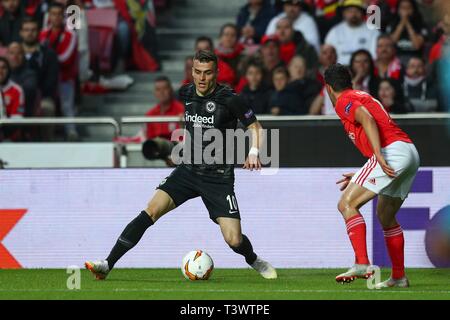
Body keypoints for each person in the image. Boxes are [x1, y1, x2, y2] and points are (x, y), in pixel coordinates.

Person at [85, 50, 277, 281]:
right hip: (188, 171)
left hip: (218, 177)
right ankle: (107, 264)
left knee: (234, 239)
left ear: (216, 73)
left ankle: (254, 260)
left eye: (207, 73)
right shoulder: (185, 92)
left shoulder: (230, 99)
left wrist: (254, 152)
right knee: (151, 210)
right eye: (197, 72)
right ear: (192, 72)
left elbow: (256, 127)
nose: (202, 78)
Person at [324, 63, 420, 288]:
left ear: (328, 88)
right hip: (409, 152)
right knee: (385, 215)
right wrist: (363, 171)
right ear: (351, 81)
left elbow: (366, 118)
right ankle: (398, 277)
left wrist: (377, 156)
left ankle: (362, 263)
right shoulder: (361, 94)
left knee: (346, 203)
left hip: (392, 152)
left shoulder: (343, 100)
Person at [39, 2, 79, 141]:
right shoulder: (43, 34)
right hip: (47, 77)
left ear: (64, 16)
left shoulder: (71, 34)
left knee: (66, 105)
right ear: (49, 16)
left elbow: (66, 57)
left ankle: (71, 131)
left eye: (59, 14)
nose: (56, 17)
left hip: (64, 77)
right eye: (53, 14)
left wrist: (49, 60)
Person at [20, 17, 59, 134]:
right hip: (18, 97)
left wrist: (35, 96)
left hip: (42, 97)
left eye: (33, 30)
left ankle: (47, 145)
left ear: (38, 32)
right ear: (21, 32)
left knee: (47, 108)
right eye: (26, 30)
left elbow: (51, 82)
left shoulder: (49, 54)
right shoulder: (14, 53)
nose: (30, 33)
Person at [325, 0, 380, 65]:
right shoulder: (334, 32)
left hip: (365, 71)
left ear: (363, 13)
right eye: (349, 11)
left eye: (357, 11)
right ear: (343, 13)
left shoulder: (373, 31)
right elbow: (327, 56)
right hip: (339, 72)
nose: (353, 14)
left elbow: (375, 57)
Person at [385, 0, 428, 65]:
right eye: (403, 8)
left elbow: (417, 45)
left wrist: (407, 23)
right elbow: (391, 43)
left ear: (413, 9)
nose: (405, 11)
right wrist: (402, 22)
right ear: (398, 10)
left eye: (408, 8)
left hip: (415, 58)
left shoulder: (420, 24)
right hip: (396, 58)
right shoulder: (392, 23)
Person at [0, 56, 24, 141]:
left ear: (9, 71)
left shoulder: (16, 90)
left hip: (8, 137)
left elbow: (17, 120)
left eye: (3, 68)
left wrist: (3, 134)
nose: (0, 71)